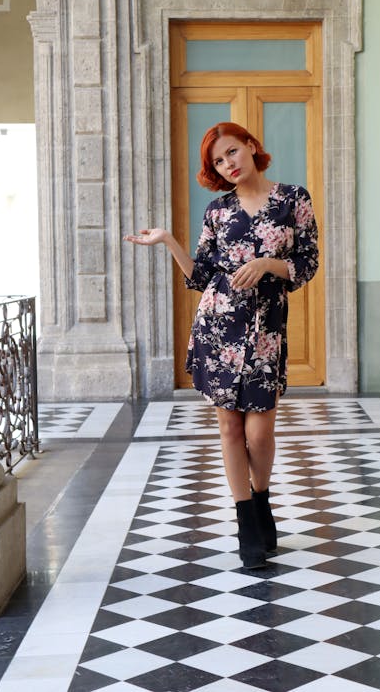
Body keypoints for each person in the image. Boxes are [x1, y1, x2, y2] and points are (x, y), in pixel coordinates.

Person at [124, 122, 319, 569]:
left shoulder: (294, 199)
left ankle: (262, 499)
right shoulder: (217, 212)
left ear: (251, 147)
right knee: (230, 430)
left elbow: (307, 264)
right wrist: (170, 242)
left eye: (232, 152)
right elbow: (200, 276)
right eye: (218, 160)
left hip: (266, 330)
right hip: (218, 329)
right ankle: (246, 520)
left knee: (259, 432)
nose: (228, 163)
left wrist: (268, 263)